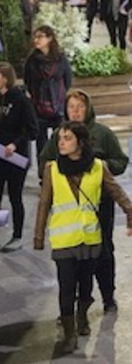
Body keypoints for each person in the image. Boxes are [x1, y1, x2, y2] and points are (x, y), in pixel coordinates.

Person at [33, 122, 132, 353]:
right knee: (67, 288)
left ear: (80, 141)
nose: (61, 143)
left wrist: (129, 212)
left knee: (86, 286)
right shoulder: (52, 169)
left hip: (90, 239)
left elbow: (117, 192)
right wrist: (38, 236)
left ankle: (82, 317)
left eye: (67, 138)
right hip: (64, 240)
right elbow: (44, 203)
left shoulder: (98, 167)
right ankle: (69, 334)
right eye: (60, 139)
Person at [39, 89, 129, 312]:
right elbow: (44, 162)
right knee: (74, 263)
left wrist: (102, 168)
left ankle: (108, 297)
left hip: (99, 205)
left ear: (88, 108)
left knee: (104, 254)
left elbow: (120, 161)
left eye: (80, 106)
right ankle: (79, 305)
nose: (75, 111)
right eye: (71, 107)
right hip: (70, 212)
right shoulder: (60, 134)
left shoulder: (103, 134)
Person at [0, 62, 38, 255]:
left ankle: (17, 236)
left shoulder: (21, 100)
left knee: (15, 196)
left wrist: (15, 143)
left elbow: (32, 129)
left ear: (5, 78)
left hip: (16, 156)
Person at [23, 26, 72, 168]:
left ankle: (62, 170)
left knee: (61, 141)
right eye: (35, 37)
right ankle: (43, 174)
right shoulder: (32, 60)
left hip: (58, 107)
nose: (36, 40)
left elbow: (67, 80)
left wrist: (58, 97)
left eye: (40, 37)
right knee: (41, 145)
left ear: (49, 38)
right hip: (38, 107)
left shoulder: (60, 58)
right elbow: (28, 81)